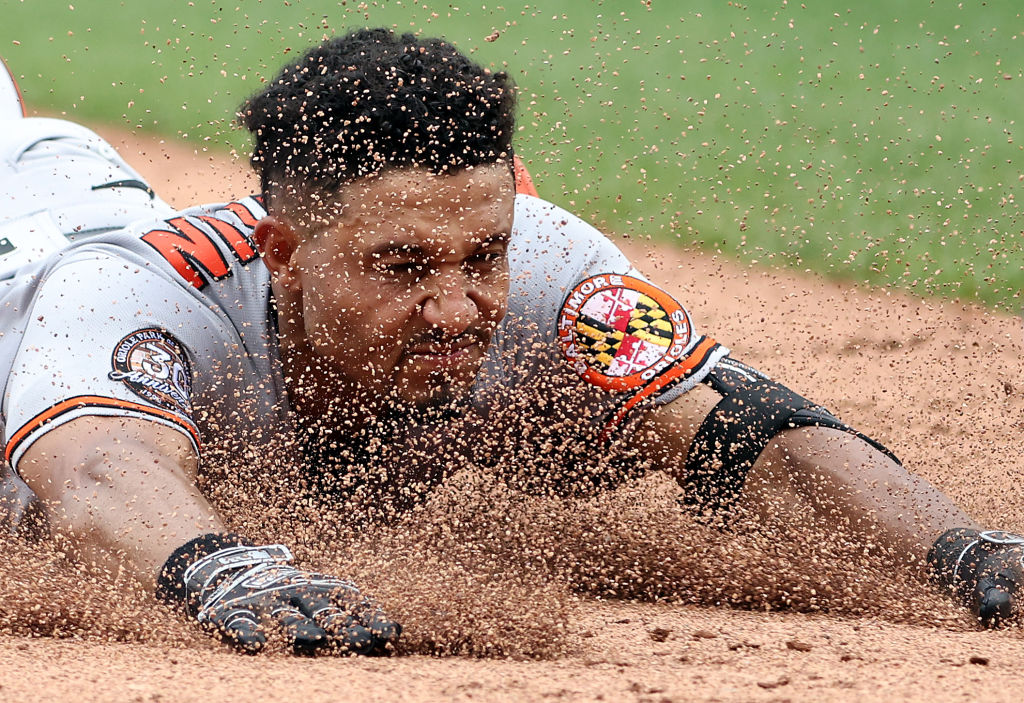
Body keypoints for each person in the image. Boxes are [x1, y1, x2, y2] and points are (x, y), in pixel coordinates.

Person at [0, 30, 1019, 656]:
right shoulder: (138, 297)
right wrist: (228, 573)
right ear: (287, 254)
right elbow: (98, 472)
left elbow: (756, 432)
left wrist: (970, 549)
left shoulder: (556, 270)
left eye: (481, 254)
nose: (456, 307)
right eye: (403, 267)